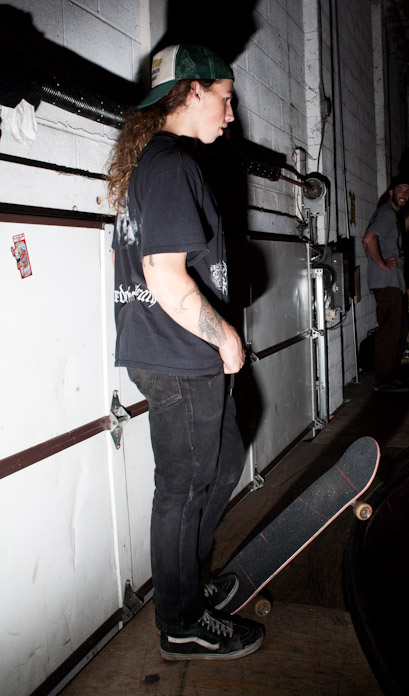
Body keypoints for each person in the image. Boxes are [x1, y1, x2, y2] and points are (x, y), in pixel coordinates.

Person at [107, 43, 264, 661]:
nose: (231, 113)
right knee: (183, 488)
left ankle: (186, 586)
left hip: (167, 349)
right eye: (226, 98)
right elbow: (165, 277)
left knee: (219, 466)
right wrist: (226, 337)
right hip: (179, 351)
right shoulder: (171, 164)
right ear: (193, 92)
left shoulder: (158, 162)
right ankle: (181, 622)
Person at [362, 176, 409, 393]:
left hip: (391, 281)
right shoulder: (387, 212)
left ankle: (390, 375)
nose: (404, 195)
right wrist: (381, 263)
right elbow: (368, 239)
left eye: (407, 191)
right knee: (391, 329)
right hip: (387, 281)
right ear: (391, 192)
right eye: (400, 190)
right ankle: (383, 379)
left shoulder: (390, 215)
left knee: (399, 327)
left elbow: (368, 242)